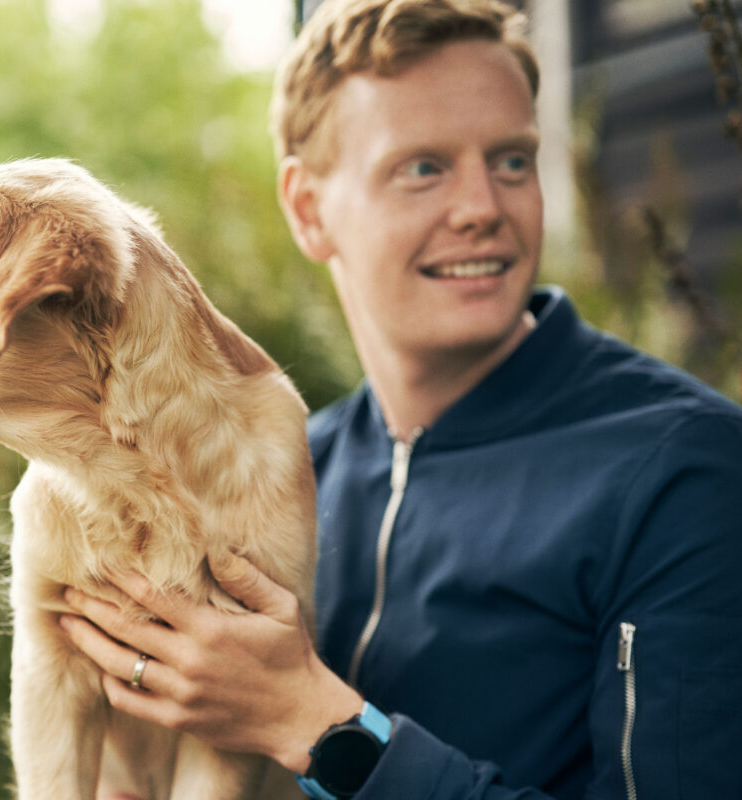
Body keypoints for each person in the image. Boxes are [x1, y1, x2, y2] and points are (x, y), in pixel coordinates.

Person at [58, 0, 742, 797]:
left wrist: (317, 726)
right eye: (424, 167)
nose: (483, 206)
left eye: (513, 160)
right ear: (309, 211)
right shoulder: (285, 470)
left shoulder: (685, 470)